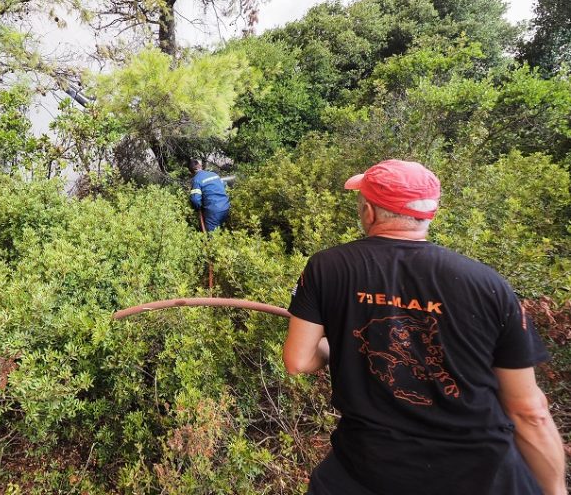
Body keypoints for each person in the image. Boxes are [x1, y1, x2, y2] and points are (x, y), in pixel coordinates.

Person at [282, 159, 566, 495]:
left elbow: (298, 361)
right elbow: (530, 411)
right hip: (483, 475)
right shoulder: (487, 284)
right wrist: (555, 488)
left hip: (366, 470)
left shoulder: (327, 267)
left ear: (369, 213)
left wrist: (340, 344)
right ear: (427, 214)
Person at [188, 159, 230, 231]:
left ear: (191, 171)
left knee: (212, 236)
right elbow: (224, 186)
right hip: (226, 206)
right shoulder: (214, 174)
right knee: (223, 232)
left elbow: (195, 200)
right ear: (200, 166)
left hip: (214, 210)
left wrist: (198, 207)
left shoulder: (196, 179)